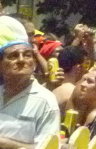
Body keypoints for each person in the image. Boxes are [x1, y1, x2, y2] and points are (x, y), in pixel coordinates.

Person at [0, 16, 60, 148]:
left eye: (27, 55)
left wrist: (5, 144)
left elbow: (48, 147)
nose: (22, 60)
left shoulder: (45, 102)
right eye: (13, 56)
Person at [51, 46, 88, 116]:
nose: (87, 70)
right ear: (78, 68)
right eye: (86, 65)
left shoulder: (48, 86)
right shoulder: (73, 93)